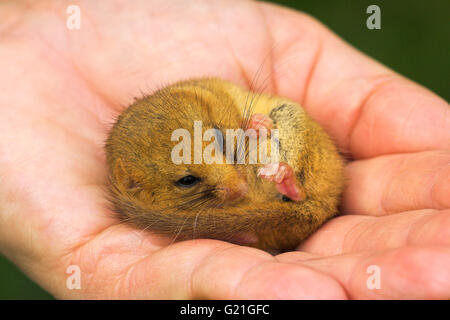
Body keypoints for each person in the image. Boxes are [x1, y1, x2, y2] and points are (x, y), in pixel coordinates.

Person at [0, 0, 448, 299]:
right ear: (133, 184)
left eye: (215, 143)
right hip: (266, 210)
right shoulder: (144, 178)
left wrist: (252, 127)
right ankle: (264, 212)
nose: (230, 185)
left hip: (304, 175)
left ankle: (282, 180)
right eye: (190, 179)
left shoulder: (204, 99)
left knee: (285, 117)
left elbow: (245, 111)